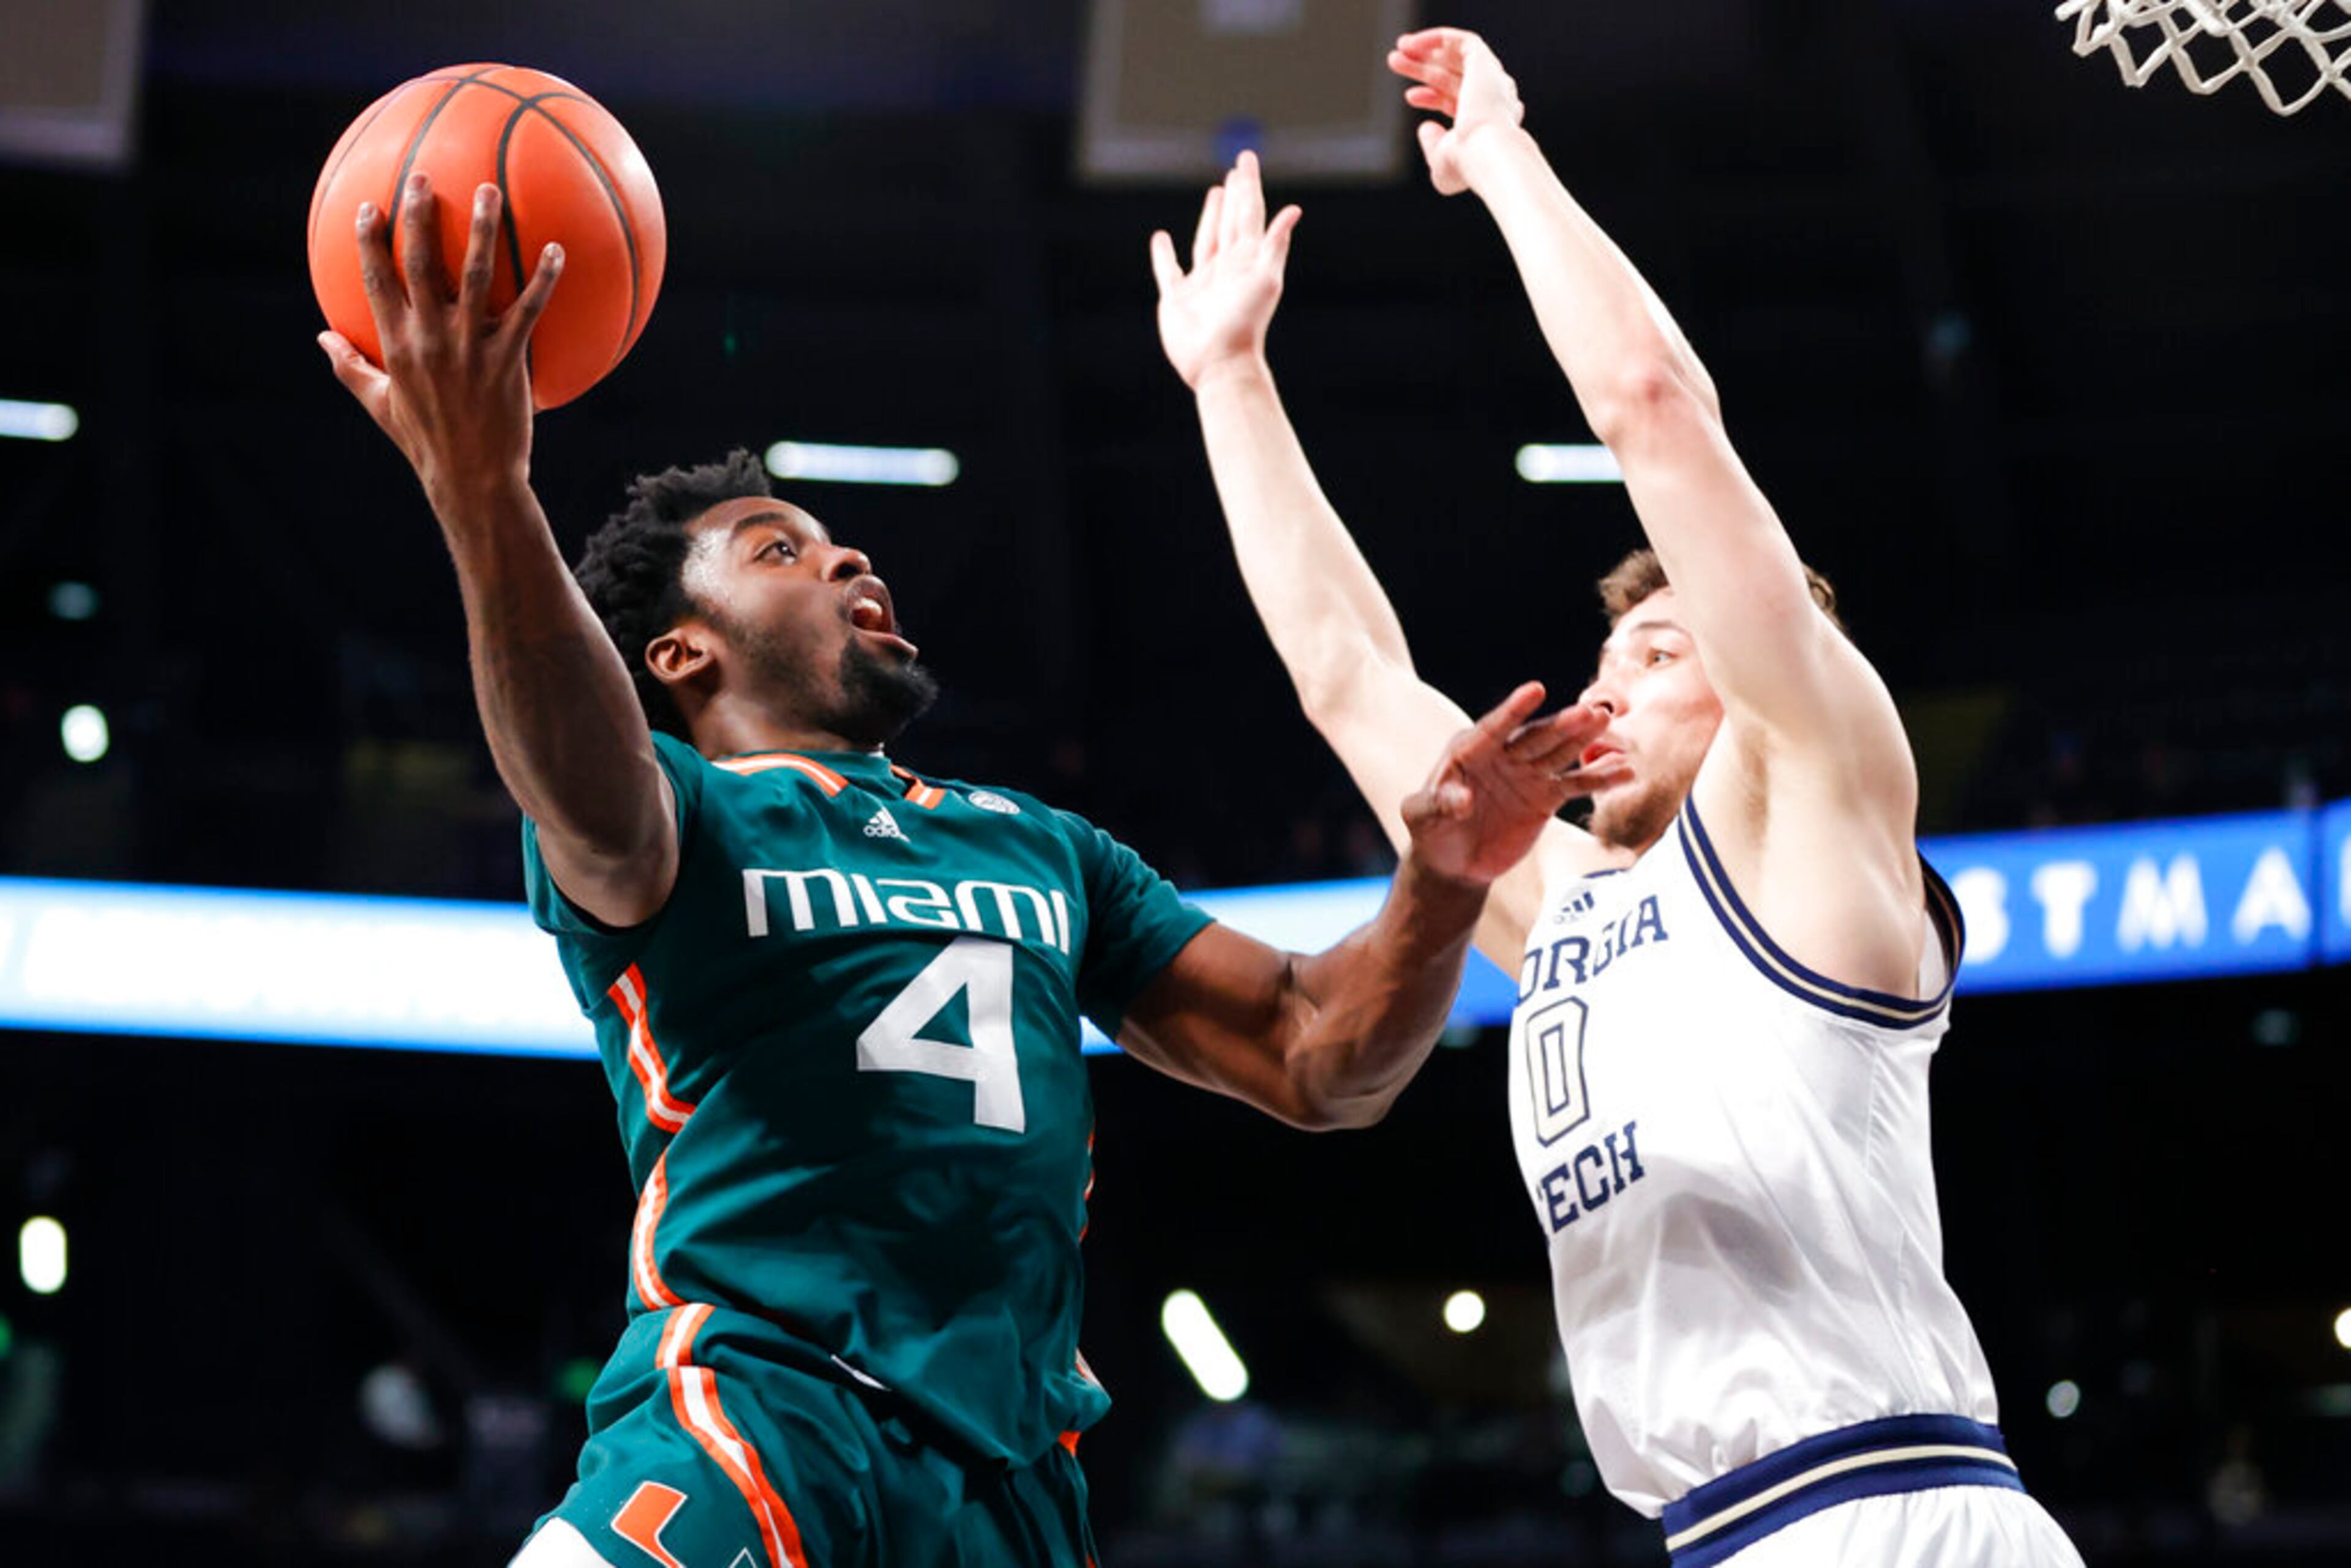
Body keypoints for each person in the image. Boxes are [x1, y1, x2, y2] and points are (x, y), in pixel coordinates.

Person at [316, 170, 1602, 1568]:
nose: (847, 554)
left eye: (831, 538)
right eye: (778, 550)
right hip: (757, 1420)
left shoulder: (1043, 851)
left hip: (1007, 1485)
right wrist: (483, 488)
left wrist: (1446, 877)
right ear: (679, 656)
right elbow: (572, 767)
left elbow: (1319, 1056)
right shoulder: (669, 808)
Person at [1150, 28, 2086, 1568]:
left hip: (1894, 1511)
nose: (1605, 686)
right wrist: (1230, 378)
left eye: (1657, 649)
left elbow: (1652, 402)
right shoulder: (1568, 899)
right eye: (1605, 653)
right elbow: (1345, 675)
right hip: (1718, 1534)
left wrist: (1501, 154)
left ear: (1768, 674)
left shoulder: (1815, 802)